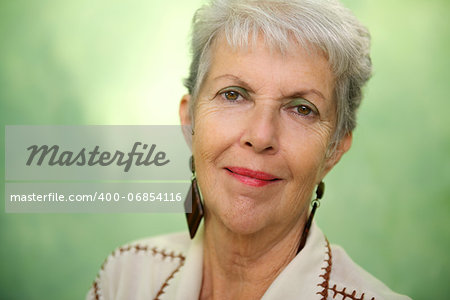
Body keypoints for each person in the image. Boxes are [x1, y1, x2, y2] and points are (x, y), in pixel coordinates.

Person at [87, 0, 411, 299]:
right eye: (234, 94)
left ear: (334, 149)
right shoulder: (125, 278)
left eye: (301, 108)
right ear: (190, 121)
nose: (260, 136)